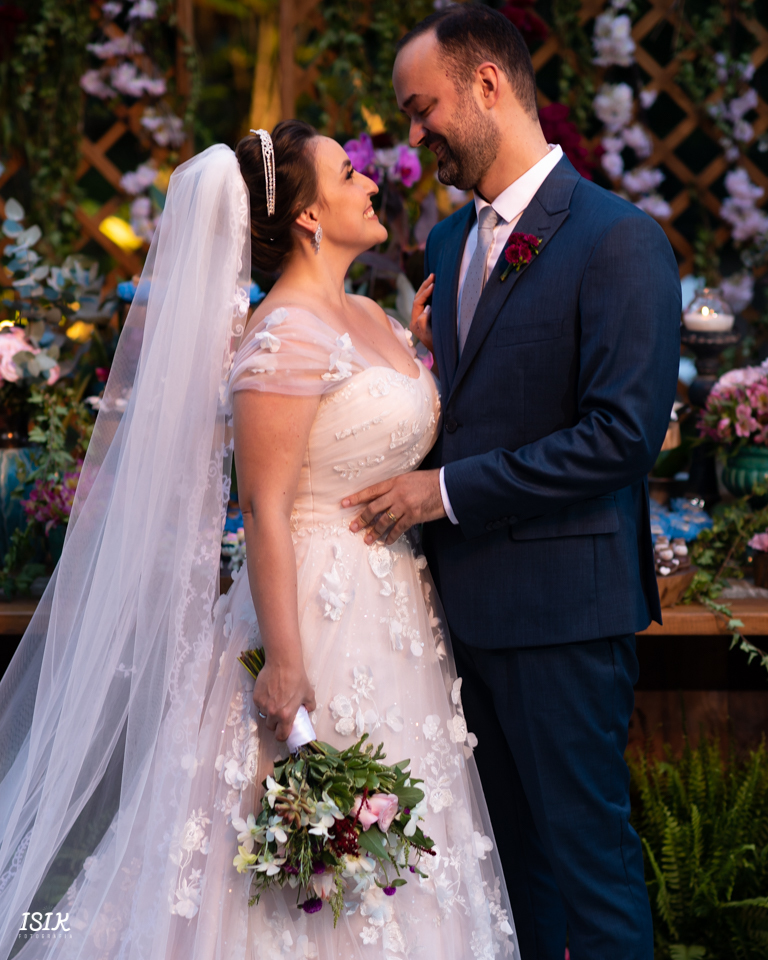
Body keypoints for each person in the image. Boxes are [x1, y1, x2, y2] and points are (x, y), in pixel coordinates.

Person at [0, 123, 517, 960]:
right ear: (309, 216)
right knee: (302, 869)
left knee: (402, 855)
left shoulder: (366, 314)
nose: (371, 184)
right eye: (348, 175)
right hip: (310, 614)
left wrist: (418, 352)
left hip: (396, 616)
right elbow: (266, 508)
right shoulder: (280, 336)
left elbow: (375, 428)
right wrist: (283, 662)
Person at [343, 7, 681, 960]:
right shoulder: (448, 245)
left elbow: (620, 439)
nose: (415, 134)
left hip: (566, 615)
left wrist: (442, 492)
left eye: (423, 108)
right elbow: (469, 406)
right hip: (456, 616)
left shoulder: (618, 240)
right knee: (505, 880)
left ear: (488, 84)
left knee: (590, 871)